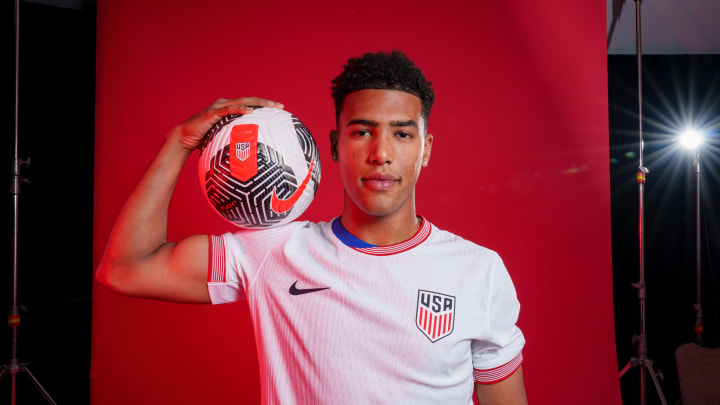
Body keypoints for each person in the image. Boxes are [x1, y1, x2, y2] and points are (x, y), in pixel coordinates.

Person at [97, 50, 527, 404]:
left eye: (402, 134)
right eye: (362, 132)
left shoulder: (479, 272)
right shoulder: (274, 251)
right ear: (336, 146)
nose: (381, 153)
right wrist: (179, 143)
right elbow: (124, 268)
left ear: (425, 149)